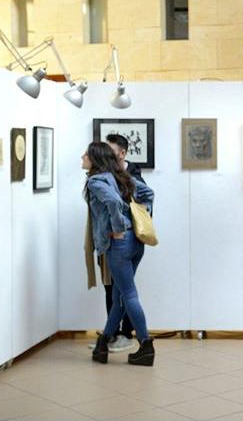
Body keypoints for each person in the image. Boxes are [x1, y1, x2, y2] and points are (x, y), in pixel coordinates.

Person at [83, 141, 155, 366]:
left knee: (129, 295)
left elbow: (113, 201)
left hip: (120, 245)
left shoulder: (95, 181)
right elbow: (149, 193)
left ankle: (146, 345)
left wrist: (117, 228)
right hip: (136, 242)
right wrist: (142, 216)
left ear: (95, 159)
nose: (82, 157)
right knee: (119, 298)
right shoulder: (120, 176)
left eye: (86, 154)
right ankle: (103, 343)